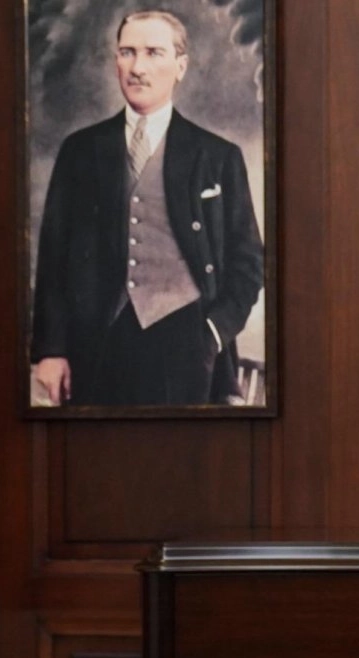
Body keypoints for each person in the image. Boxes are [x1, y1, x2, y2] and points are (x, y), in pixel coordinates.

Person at [29, 10, 264, 406]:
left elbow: (249, 262)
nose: (137, 67)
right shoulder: (80, 151)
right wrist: (52, 349)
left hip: (188, 346)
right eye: (127, 52)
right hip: (96, 345)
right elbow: (53, 258)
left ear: (180, 66)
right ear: (116, 62)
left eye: (153, 53)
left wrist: (213, 332)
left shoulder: (218, 156)